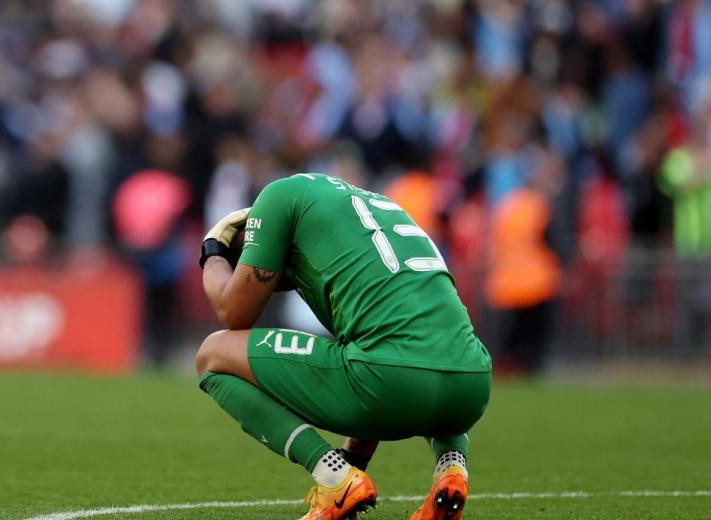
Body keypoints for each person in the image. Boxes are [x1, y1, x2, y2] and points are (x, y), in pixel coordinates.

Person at [195, 173, 492, 520]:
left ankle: (333, 477)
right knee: (427, 348)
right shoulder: (375, 208)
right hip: (472, 385)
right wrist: (358, 459)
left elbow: (233, 311)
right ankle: (451, 468)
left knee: (212, 355)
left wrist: (213, 254)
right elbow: (384, 341)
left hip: (392, 381)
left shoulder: (278, 197)